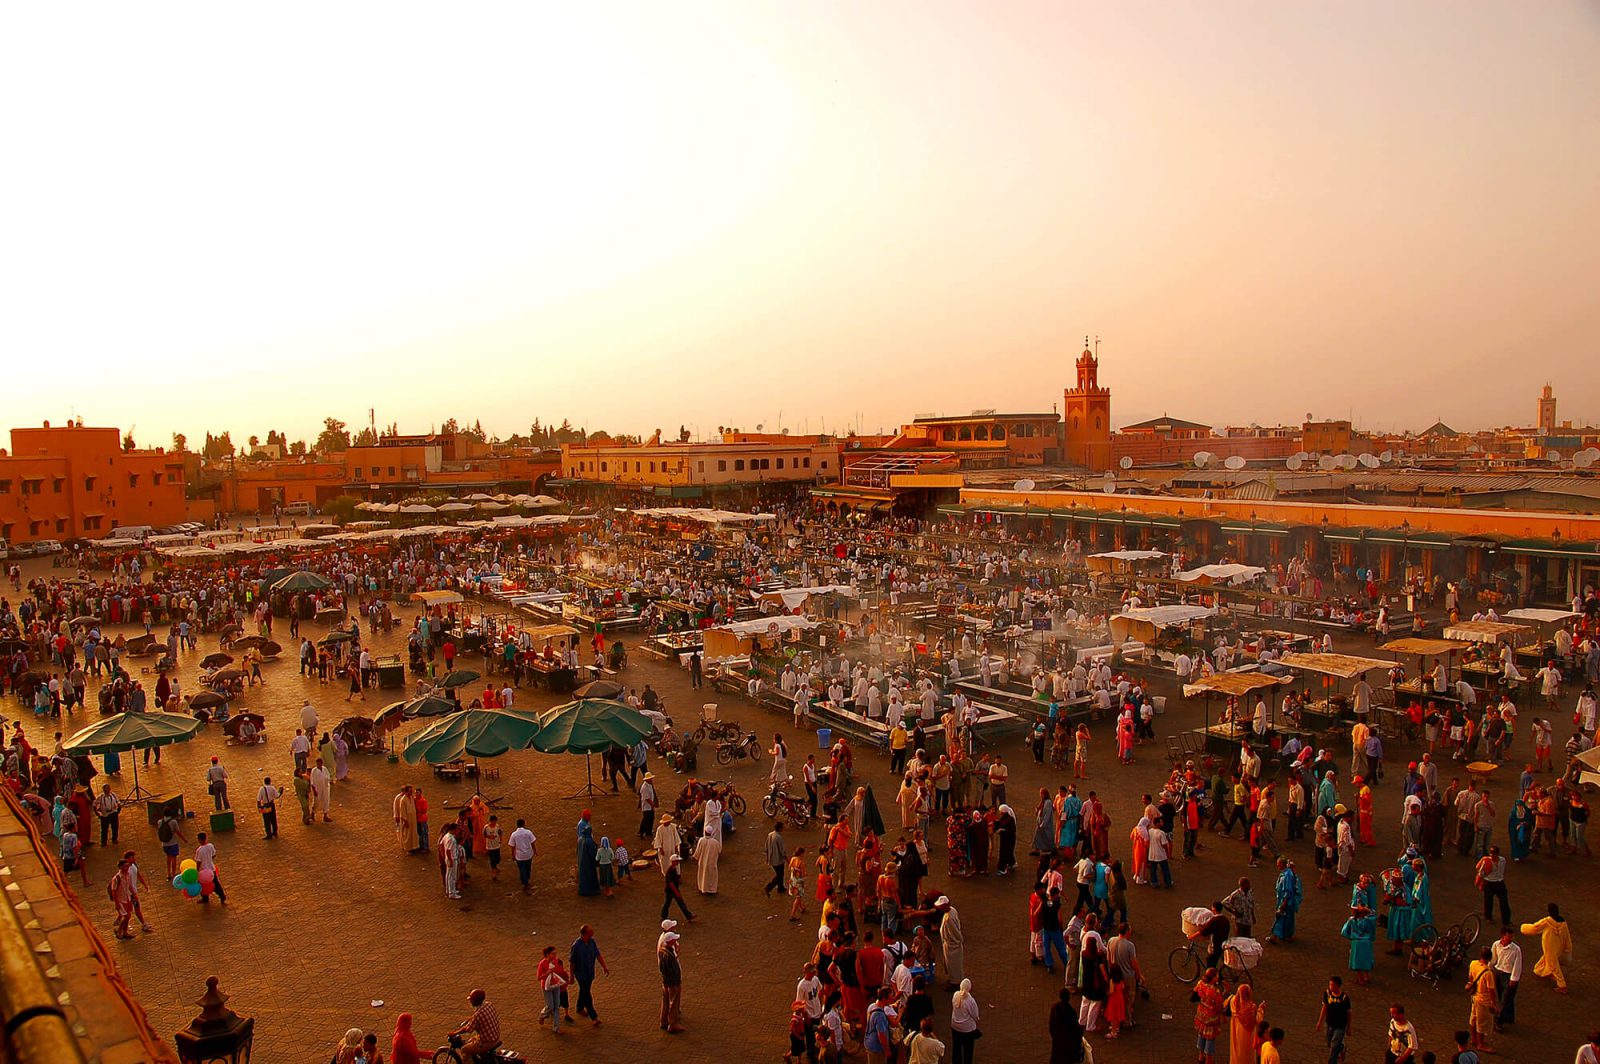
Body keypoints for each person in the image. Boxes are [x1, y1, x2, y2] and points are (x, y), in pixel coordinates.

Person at [1519, 902, 1572, 994]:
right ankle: (1539, 970)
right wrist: (1567, 947)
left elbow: (1534, 928)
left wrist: (1523, 928)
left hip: (1549, 947)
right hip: (1558, 947)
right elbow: (1567, 936)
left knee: (1553, 965)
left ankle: (1562, 985)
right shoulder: (1563, 922)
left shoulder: (1547, 921)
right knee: (1546, 960)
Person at [569, 924, 608, 1026]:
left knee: (584, 990)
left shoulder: (592, 942)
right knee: (587, 994)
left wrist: (604, 966)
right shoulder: (576, 946)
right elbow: (572, 962)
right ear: (585, 933)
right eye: (591, 931)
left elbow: (597, 954)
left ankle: (579, 1007)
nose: (593, 932)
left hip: (589, 972)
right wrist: (571, 976)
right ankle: (594, 1017)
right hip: (581, 974)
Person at [450, 989, 501, 1059]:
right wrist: (470, 1019)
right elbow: (479, 1016)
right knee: (470, 1041)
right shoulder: (489, 1004)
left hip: (487, 1042)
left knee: (464, 1050)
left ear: (474, 1001)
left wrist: (454, 1033)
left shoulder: (478, 1015)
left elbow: (467, 1029)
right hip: (496, 1037)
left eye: (471, 1000)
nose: (470, 1001)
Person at [1490, 925, 1522, 1029]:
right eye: (1509, 936)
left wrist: (1514, 979)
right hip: (1498, 973)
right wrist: (1488, 969)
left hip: (1508, 976)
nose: (1511, 938)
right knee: (1503, 997)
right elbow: (1493, 959)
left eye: (1512, 936)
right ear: (1503, 936)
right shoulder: (1496, 945)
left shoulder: (1516, 949)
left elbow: (1517, 965)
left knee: (1506, 999)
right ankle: (1509, 1016)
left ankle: (1498, 1021)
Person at [1314, 974, 1351, 1064]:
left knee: (1334, 1048)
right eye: (1330, 984)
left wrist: (1348, 1027)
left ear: (1338, 986)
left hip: (1340, 1026)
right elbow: (1325, 1007)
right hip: (1329, 1023)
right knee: (1329, 1043)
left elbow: (1349, 1013)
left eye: (1333, 985)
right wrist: (1319, 1021)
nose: (1331, 987)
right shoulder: (1327, 994)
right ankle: (1342, 1047)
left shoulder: (1344, 998)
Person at [1191, 967, 1225, 1064]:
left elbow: (1194, 996)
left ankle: (1201, 1056)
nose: (1218, 976)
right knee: (1210, 1039)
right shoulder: (1215, 991)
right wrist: (1226, 991)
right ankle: (1209, 1060)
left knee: (1201, 1034)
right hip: (1211, 1019)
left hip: (1201, 1015)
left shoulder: (1200, 984)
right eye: (1217, 975)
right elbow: (1219, 1006)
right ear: (1213, 978)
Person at [658, 919, 686, 1033]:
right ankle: (672, 1023)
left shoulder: (663, 949)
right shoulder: (668, 955)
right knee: (673, 1001)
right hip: (672, 982)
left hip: (666, 980)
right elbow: (671, 969)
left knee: (665, 999)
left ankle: (664, 1021)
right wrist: (676, 983)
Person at [1226, 982, 1263, 1064]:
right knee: (1246, 1051)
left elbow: (1225, 1003)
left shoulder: (1233, 1001)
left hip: (1235, 1029)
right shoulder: (1251, 1007)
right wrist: (1261, 1010)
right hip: (1247, 1034)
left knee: (1236, 1049)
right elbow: (1258, 1020)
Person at [1048, 988, 1086, 1064]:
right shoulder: (1071, 1011)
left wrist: (1054, 1036)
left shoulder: (1055, 1008)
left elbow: (1051, 1024)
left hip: (1058, 1040)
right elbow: (1075, 1029)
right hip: (1068, 1043)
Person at [949, 978, 980, 1064]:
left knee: (956, 1048)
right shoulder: (970, 1001)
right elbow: (975, 1015)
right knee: (968, 1051)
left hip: (955, 1027)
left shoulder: (955, 995)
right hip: (967, 1030)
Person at [195, 831, 225, 904]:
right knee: (216, 883)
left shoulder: (199, 850)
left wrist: (197, 871)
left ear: (199, 839)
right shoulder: (210, 846)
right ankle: (222, 895)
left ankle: (205, 898)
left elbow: (198, 862)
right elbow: (214, 855)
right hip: (211, 869)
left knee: (202, 885)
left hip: (203, 871)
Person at [508, 819, 537, 894]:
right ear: (524, 824)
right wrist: (535, 850)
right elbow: (532, 842)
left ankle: (525, 882)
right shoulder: (528, 832)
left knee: (522, 869)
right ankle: (526, 880)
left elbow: (512, 846)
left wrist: (513, 854)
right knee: (528, 868)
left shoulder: (514, 834)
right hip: (528, 854)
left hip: (520, 856)